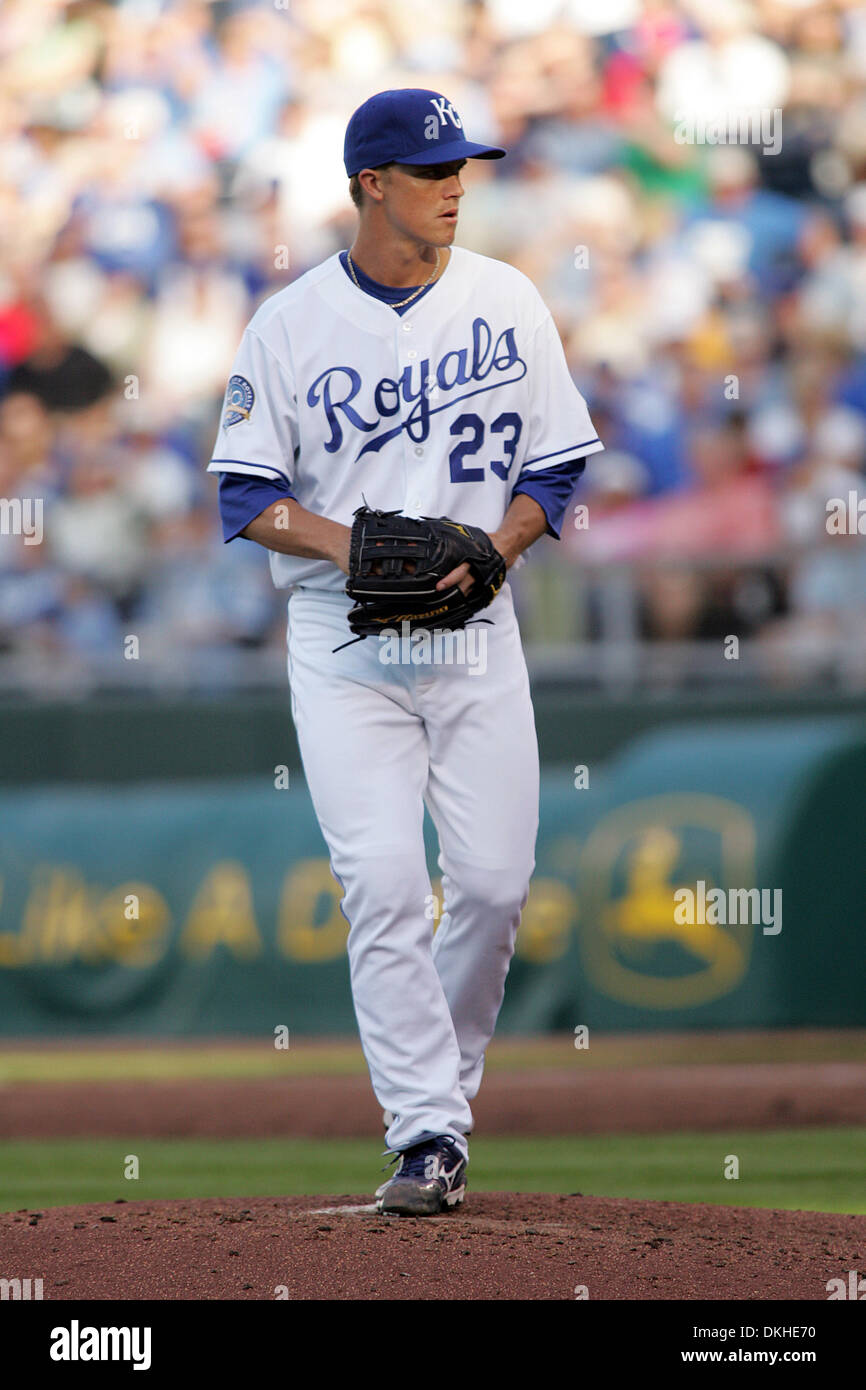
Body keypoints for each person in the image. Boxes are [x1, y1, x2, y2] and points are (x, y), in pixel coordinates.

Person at [209, 89, 603, 1215]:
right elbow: (246, 493)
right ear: (369, 184)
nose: (455, 184)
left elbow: (557, 463)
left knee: (487, 885)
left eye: (460, 166)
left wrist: (499, 545)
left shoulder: (507, 299)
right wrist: (359, 546)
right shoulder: (288, 324)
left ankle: (445, 1097)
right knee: (382, 881)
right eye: (432, 170)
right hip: (343, 640)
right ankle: (427, 1131)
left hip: (475, 630)